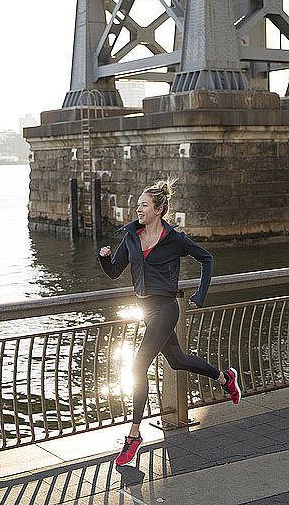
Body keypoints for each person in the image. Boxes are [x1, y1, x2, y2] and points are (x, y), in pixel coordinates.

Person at [98, 180, 241, 467]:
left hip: (165, 308)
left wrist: (200, 296)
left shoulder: (174, 239)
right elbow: (115, 272)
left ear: (159, 209)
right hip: (145, 310)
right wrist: (104, 259)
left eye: (144, 205)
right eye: (138, 204)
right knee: (177, 360)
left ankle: (134, 435)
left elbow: (207, 259)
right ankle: (226, 378)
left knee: (137, 367)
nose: (138, 209)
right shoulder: (130, 236)